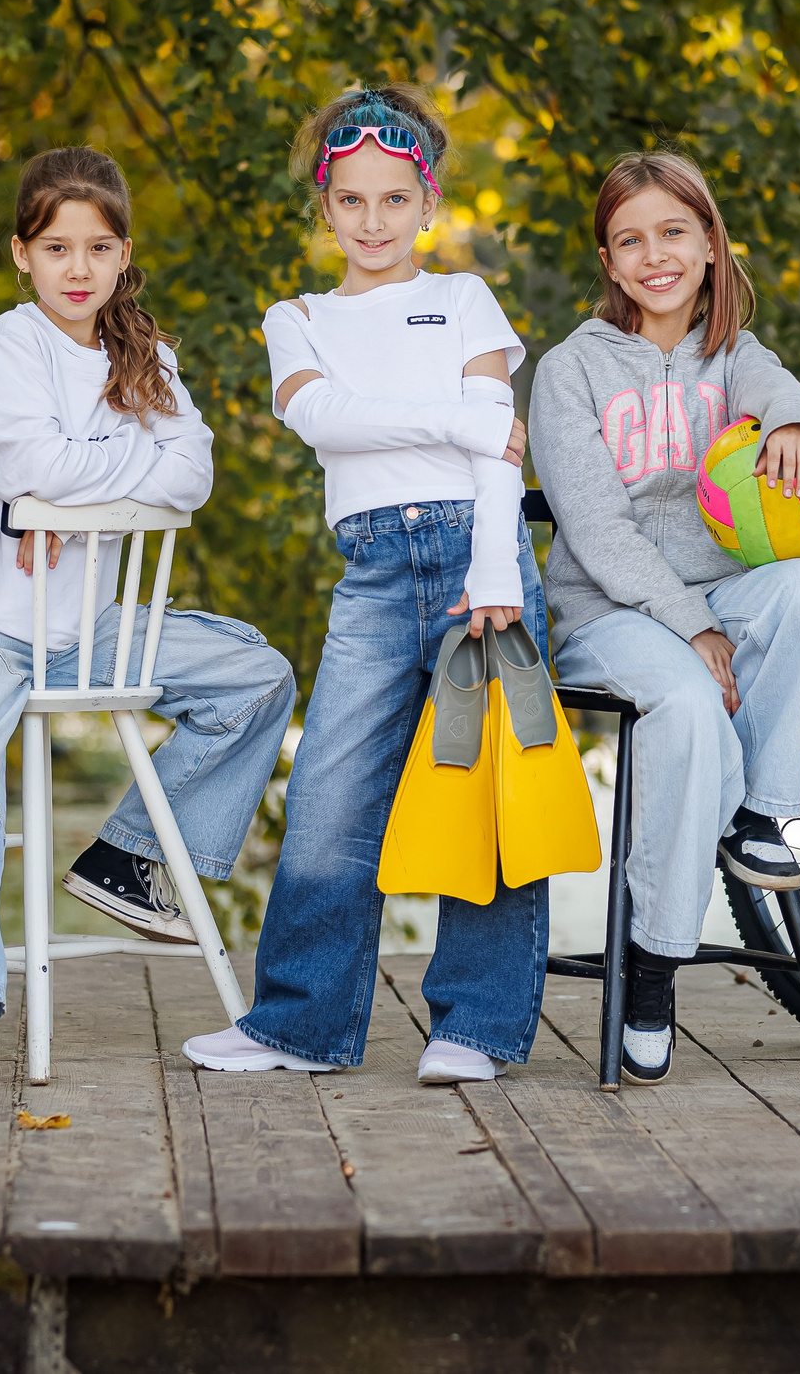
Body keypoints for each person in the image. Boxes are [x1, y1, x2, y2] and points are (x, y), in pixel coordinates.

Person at [0, 147, 295, 1100]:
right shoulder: (11, 343)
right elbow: (32, 464)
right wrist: (102, 478)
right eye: (57, 247)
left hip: (89, 629)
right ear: (23, 253)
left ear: (125, 253)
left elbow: (193, 476)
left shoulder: (149, 357)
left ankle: (128, 855)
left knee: (258, 677)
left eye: (98, 247)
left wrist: (60, 502)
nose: (78, 268)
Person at [183, 86, 545, 1085]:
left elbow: (496, 453)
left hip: (480, 559)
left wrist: (495, 568)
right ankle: (299, 1025)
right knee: (329, 795)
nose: (372, 221)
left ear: (428, 203)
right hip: (376, 573)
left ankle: (475, 1027)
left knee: (482, 790)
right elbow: (323, 419)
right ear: (325, 205)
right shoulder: (295, 319)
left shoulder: (465, 301)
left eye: (393, 199)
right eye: (351, 200)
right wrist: (458, 420)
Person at [527, 151, 800, 1086]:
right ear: (608, 260)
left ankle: (757, 813)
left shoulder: (733, 354)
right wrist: (688, 625)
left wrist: (791, 422)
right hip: (609, 614)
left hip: (721, 597)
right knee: (688, 701)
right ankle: (654, 961)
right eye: (630, 240)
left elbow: (776, 387)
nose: (655, 255)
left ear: (710, 242)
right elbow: (597, 531)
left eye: (673, 231)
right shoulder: (570, 370)